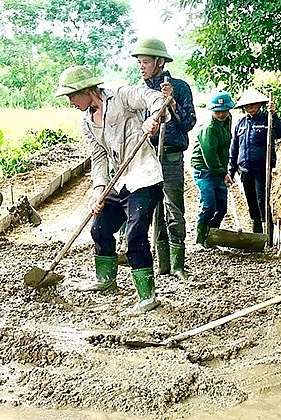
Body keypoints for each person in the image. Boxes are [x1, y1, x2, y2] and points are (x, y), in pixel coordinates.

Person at [55, 65, 168, 315]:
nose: (71, 102)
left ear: (86, 91)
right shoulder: (87, 122)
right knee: (100, 227)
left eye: (71, 96)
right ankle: (105, 279)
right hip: (119, 181)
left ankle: (147, 296)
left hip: (144, 178)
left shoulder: (121, 96)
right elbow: (99, 157)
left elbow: (156, 98)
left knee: (135, 235)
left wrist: (153, 117)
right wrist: (98, 189)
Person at [131, 38, 196, 279]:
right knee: (153, 208)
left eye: (145, 62)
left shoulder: (179, 87)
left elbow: (189, 123)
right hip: (148, 158)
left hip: (170, 157)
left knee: (173, 208)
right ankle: (163, 263)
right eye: (139, 62)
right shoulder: (138, 91)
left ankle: (178, 264)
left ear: (159, 62)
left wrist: (173, 103)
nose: (141, 66)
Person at [229, 88, 281, 233]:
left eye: (253, 104)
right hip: (245, 169)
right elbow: (234, 148)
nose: (250, 108)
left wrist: (274, 115)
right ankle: (257, 231)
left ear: (260, 104)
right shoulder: (240, 124)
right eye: (247, 105)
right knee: (251, 200)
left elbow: (279, 133)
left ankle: (268, 234)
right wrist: (231, 170)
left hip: (262, 168)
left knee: (262, 200)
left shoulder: (268, 119)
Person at [191, 92, 234, 247]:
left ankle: (212, 235)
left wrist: (225, 170)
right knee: (209, 205)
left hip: (219, 169)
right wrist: (223, 173)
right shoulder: (209, 128)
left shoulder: (227, 121)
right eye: (217, 111)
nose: (221, 114)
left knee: (222, 208)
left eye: (224, 110)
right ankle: (201, 237)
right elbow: (209, 155)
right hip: (205, 170)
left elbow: (225, 148)